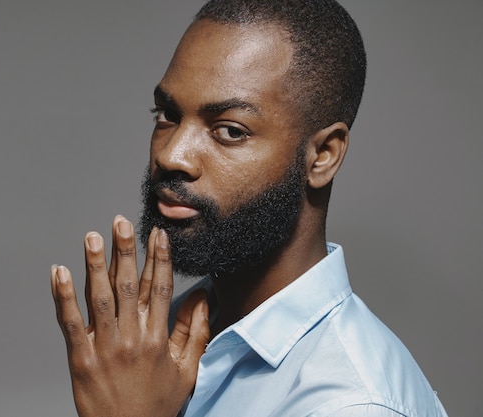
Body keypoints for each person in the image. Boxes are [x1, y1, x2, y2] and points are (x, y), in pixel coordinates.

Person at [50, 0, 450, 416]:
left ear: (323, 156)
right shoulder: (151, 343)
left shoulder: (353, 404)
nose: (172, 155)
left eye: (230, 131)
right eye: (167, 114)